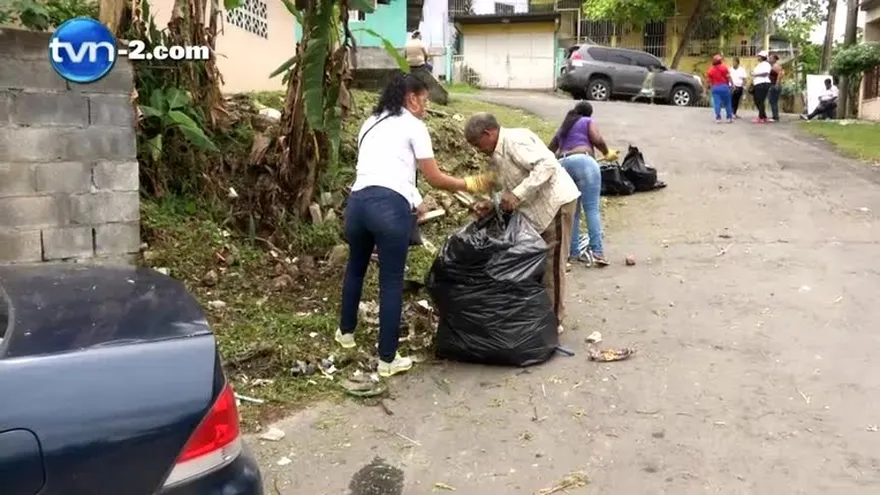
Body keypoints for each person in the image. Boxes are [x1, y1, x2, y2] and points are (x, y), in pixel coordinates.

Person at [336, 74, 492, 377]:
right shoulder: (414, 126)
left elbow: (386, 168)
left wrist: (415, 198)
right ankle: (387, 360)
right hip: (388, 210)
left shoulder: (370, 123)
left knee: (355, 268)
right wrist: (472, 182)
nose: (426, 105)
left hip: (356, 204)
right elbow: (434, 177)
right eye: (425, 99)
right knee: (391, 282)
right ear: (412, 98)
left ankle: (346, 334)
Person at [464, 112, 581, 334]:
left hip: (555, 204)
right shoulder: (497, 154)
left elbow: (547, 165)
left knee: (552, 266)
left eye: (476, 143)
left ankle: (554, 321)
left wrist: (518, 194)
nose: (475, 149)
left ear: (488, 133)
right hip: (536, 213)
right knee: (538, 263)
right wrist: (492, 204)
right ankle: (542, 313)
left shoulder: (515, 141)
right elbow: (508, 185)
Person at [547, 101, 614, 266]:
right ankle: (597, 252)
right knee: (591, 209)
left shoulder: (564, 127)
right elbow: (596, 138)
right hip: (584, 162)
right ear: (587, 114)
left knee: (573, 212)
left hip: (562, 165)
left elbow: (549, 150)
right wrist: (607, 152)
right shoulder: (586, 121)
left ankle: (572, 252)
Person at [705, 54, 733, 123]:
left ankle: (718, 118)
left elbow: (708, 81)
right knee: (727, 103)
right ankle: (729, 118)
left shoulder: (710, 70)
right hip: (724, 87)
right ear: (720, 61)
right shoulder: (724, 68)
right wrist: (733, 85)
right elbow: (729, 77)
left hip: (715, 88)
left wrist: (706, 89)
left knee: (717, 103)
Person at [751, 51, 773, 124]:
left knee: (759, 100)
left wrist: (755, 74)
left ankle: (761, 117)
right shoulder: (760, 65)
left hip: (763, 83)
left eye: (759, 56)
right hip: (758, 83)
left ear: (763, 57)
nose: (758, 57)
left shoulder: (766, 64)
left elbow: (766, 73)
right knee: (757, 100)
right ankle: (763, 116)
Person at [768, 54, 785, 122]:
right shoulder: (773, 66)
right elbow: (782, 72)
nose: (769, 59)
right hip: (772, 84)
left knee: (773, 101)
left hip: (775, 85)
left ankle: (776, 117)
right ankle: (775, 116)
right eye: (769, 58)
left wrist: (777, 83)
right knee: (772, 101)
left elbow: (780, 73)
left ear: (775, 59)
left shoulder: (776, 65)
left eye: (771, 58)